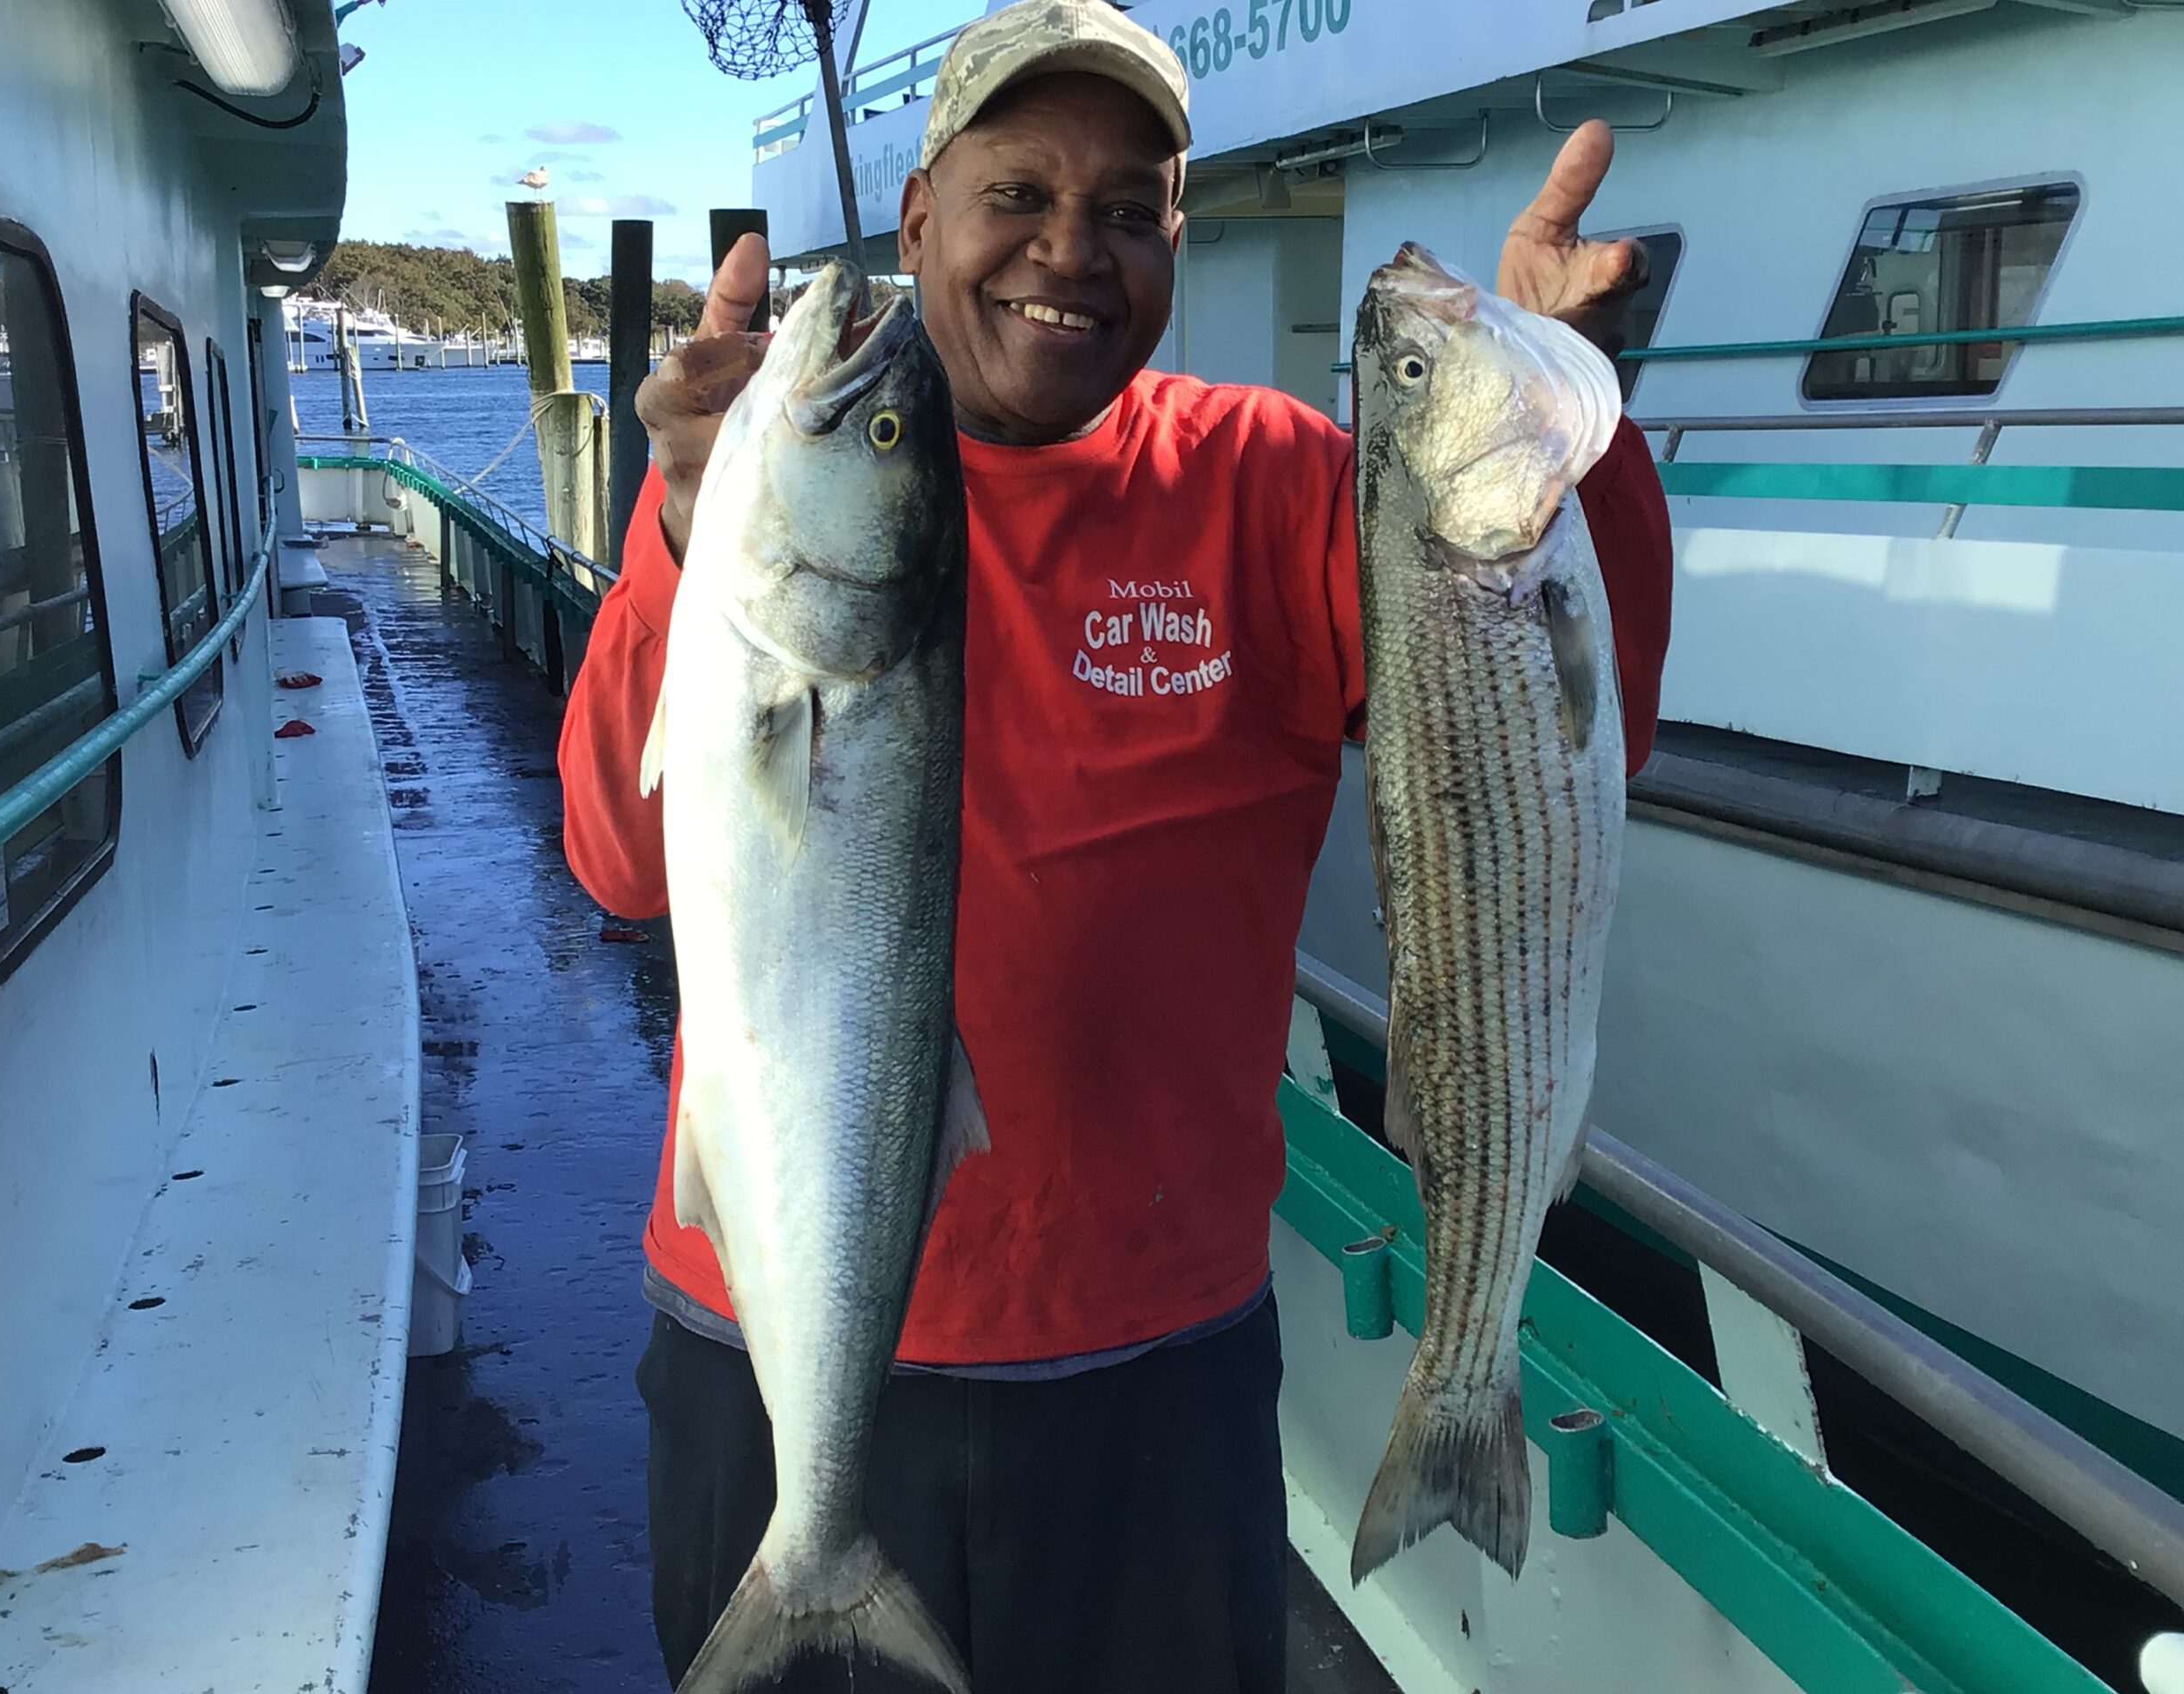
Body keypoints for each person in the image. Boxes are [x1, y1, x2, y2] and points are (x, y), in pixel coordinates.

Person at [559, 2, 1674, 1687]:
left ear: (1174, 239)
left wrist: (1563, 436)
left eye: (1128, 210)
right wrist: (685, 531)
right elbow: (613, 858)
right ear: (919, 216)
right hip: (775, 1340)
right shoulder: (744, 528)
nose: (1069, 250)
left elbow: (1567, 722)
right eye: (1016, 194)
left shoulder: (1271, 481)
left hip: (1152, 1360)